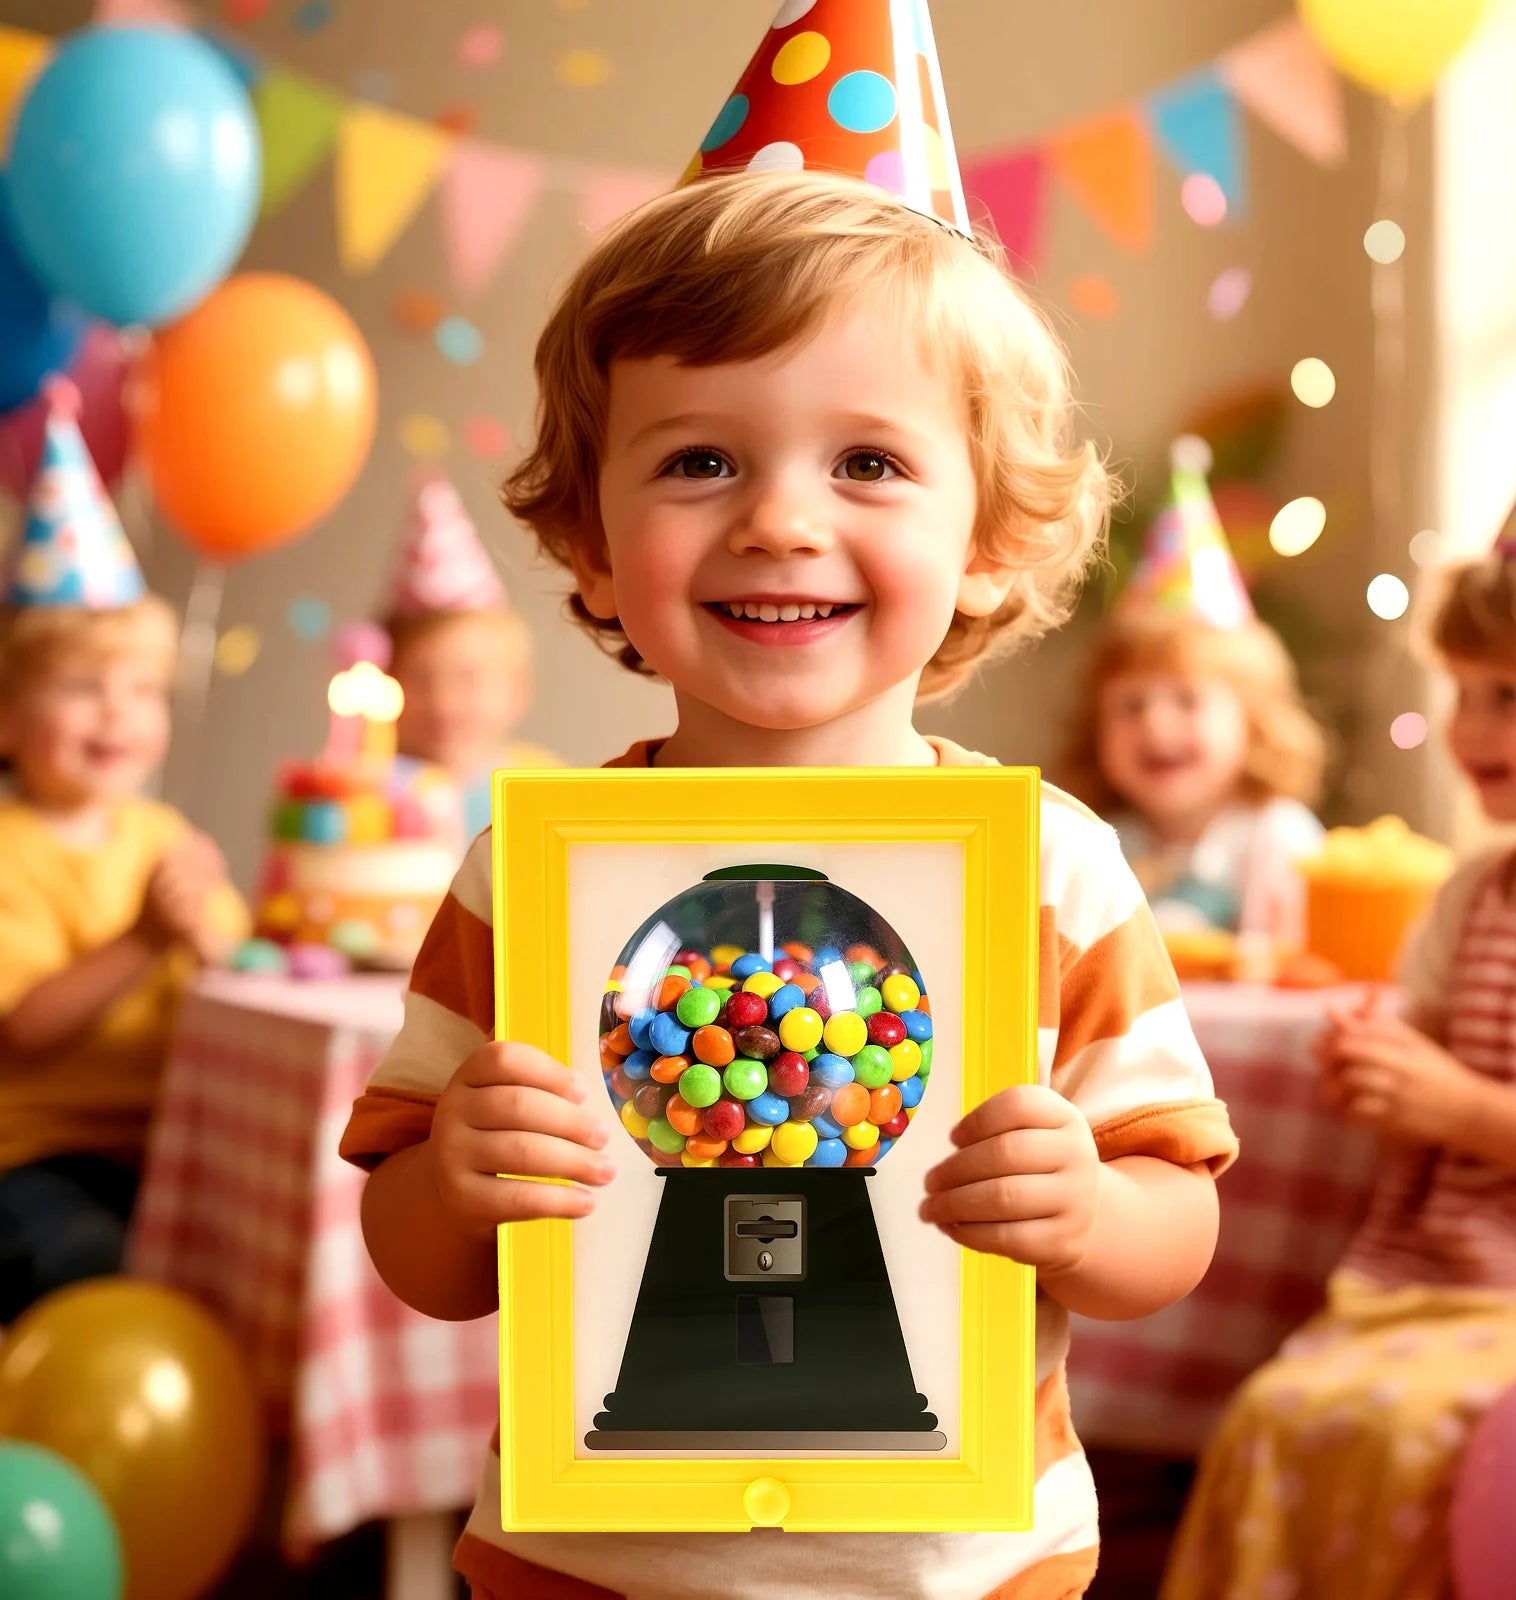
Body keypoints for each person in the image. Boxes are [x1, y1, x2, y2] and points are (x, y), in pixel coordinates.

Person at [341, 7, 1237, 1596]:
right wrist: (453, 1179)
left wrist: (1090, 1209)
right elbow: (423, 1266)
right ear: (595, 537)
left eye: (870, 465)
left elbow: (1175, 1223)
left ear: (987, 534)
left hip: (963, 1564)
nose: (778, 522)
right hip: (585, 1557)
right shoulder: (523, 881)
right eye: (698, 463)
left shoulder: (1055, 868)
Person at [1160, 328, 1516, 1600]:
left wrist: (1456, 1105)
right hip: (1436, 1269)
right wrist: (1379, 1053)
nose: (1466, 729)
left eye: (1505, 697)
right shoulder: (1478, 885)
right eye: (1460, 692)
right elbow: (1424, 1022)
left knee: (1407, 1441)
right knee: (1274, 1414)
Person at [0, 383, 246, 1323]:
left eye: (140, 691)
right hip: (34, 1153)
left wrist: (214, 935)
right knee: (89, 1270)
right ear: (11, 722)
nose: (117, 712)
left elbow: (226, 960)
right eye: (82, 688)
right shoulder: (12, 849)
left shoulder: (162, 837)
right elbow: (22, 1029)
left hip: (166, 1146)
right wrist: (147, 936)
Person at [1059, 441, 1327, 944]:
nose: (1155, 725)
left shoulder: (1278, 840)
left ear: (1255, 721)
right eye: (1130, 705)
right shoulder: (1101, 846)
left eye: (1187, 700)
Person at [384, 470, 561, 837]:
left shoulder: (542, 786)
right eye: (419, 679)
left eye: (467, 678)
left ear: (517, 690)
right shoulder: (366, 790)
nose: (443, 700)